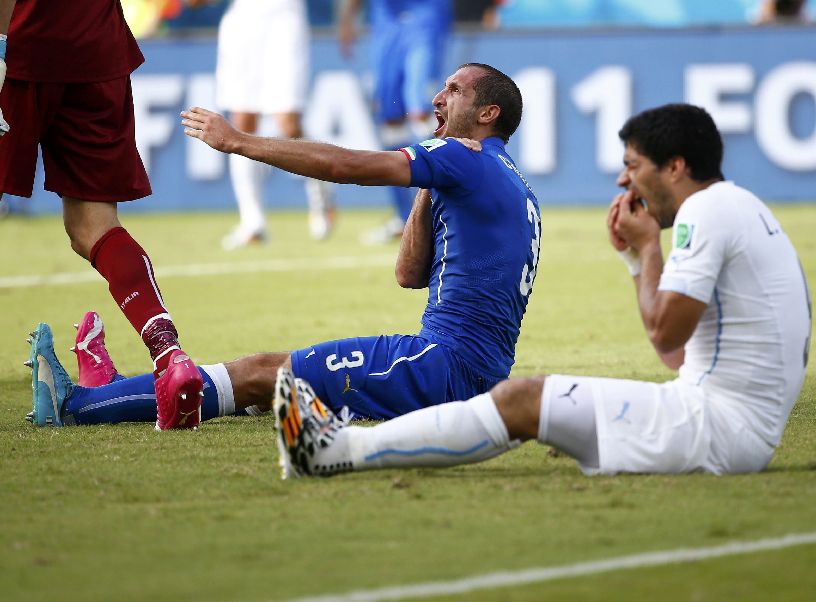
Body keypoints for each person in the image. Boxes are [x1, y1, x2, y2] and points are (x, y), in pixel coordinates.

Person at [274, 103, 812, 479]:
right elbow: (673, 353)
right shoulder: (742, 206)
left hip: (713, 428)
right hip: (729, 425)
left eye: (633, 167)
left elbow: (664, 329)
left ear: (675, 167)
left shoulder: (704, 210)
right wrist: (633, 256)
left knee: (521, 399)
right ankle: (335, 448)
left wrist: (650, 250)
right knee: (526, 402)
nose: (626, 184)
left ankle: (336, 451)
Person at [27, 63, 543, 432]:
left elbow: (345, 166)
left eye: (453, 90)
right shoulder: (512, 184)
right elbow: (409, 273)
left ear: (486, 113)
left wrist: (240, 142)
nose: (437, 98)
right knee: (270, 382)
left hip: (440, 368)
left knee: (257, 375)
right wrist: (431, 181)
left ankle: (78, 405)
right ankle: (115, 391)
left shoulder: (463, 158)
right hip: (469, 373)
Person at [1, 0, 203, 430]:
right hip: (95, 49)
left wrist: (1, 46)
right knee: (93, 225)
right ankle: (168, 352)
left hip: (21, 46)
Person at [198, 0, 336, 248]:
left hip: (284, 16)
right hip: (242, 20)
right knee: (242, 123)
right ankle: (252, 222)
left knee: (288, 122)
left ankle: (321, 196)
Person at [339, 0, 453, 244]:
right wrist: (347, 18)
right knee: (390, 119)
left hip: (425, 13)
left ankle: (443, 214)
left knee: (420, 108)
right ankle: (406, 218)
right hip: (386, 19)